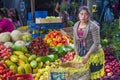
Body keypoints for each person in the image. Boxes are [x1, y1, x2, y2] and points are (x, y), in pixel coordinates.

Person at [73, 6, 105, 80]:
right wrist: (77, 52)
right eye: (81, 14)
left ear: (89, 15)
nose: (83, 16)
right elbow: (75, 40)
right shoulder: (75, 25)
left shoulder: (93, 26)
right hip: (82, 50)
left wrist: (87, 56)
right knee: (82, 74)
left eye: (86, 14)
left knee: (92, 75)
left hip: (93, 53)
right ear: (78, 15)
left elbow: (96, 43)